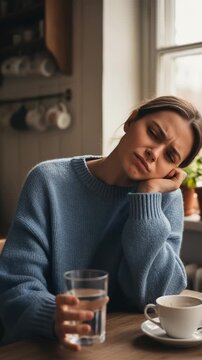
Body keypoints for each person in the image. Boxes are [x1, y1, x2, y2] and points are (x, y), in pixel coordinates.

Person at [0, 95, 202, 351]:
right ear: (131, 121)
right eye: (153, 133)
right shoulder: (48, 181)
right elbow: (14, 285)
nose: (154, 153)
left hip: (124, 347)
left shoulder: (162, 200)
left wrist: (146, 199)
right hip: (47, 346)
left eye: (170, 156)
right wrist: (53, 315)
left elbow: (158, 296)